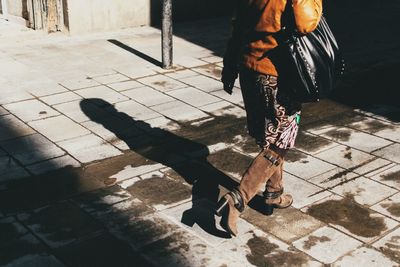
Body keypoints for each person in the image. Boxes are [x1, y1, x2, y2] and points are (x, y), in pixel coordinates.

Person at [215, 0, 323, 236]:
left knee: (269, 137)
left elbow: (238, 25)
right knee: (280, 141)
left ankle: (274, 192)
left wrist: (229, 65)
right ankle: (238, 198)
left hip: (248, 68)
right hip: (276, 73)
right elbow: (305, 23)